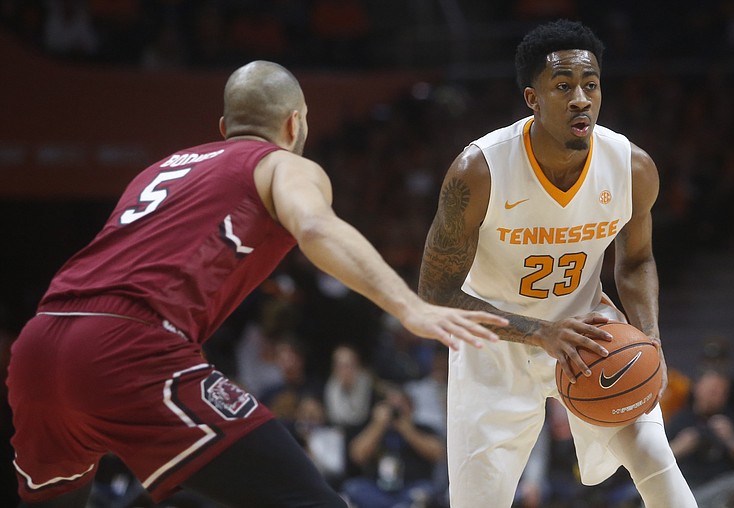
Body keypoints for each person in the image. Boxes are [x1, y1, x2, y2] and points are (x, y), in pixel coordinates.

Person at [6, 60, 508, 508]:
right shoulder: (281, 164)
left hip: (38, 345)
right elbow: (315, 228)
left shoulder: (158, 169)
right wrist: (408, 307)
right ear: (296, 123)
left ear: (224, 127)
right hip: (129, 346)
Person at [418, 19, 697, 508]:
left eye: (590, 85)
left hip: (591, 338)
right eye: (563, 86)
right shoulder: (479, 171)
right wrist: (538, 332)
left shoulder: (632, 167)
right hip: (495, 344)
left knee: (656, 459)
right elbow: (435, 293)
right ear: (533, 98)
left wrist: (649, 336)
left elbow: (635, 262)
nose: (581, 99)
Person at [666, 369, 734, 507]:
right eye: (712, 391)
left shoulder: (733, 419)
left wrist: (730, 439)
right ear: (697, 388)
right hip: (688, 484)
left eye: (723, 393)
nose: (717, 397)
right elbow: (659, 461)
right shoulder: (680, 419)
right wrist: (681, 446)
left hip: (721, 483)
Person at [341, 386, 443, 508]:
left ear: (411, 408)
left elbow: (438, 453)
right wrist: (378, 424)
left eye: (400, 405)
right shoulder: (374, 429)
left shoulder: (423, 429)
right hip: (377, 489)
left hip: (411, 487)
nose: (395, 411)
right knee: (352, 488)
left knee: (426, 492)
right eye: (391, 406)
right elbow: (357, 455)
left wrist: (408, 430)